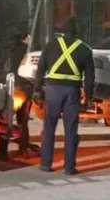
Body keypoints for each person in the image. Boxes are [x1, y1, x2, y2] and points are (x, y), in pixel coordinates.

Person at [32, 17, 95, 175]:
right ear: (76, 32)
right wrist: (88, 98)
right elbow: (90, 77)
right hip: (72, 92)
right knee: (71, 129)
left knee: (49, 127)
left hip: (52, 91)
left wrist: (37, 90)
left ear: (61, 32)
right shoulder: (85, 50)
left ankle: (45, 164)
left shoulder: (51, 46)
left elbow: (40, 70)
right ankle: (69, 167)